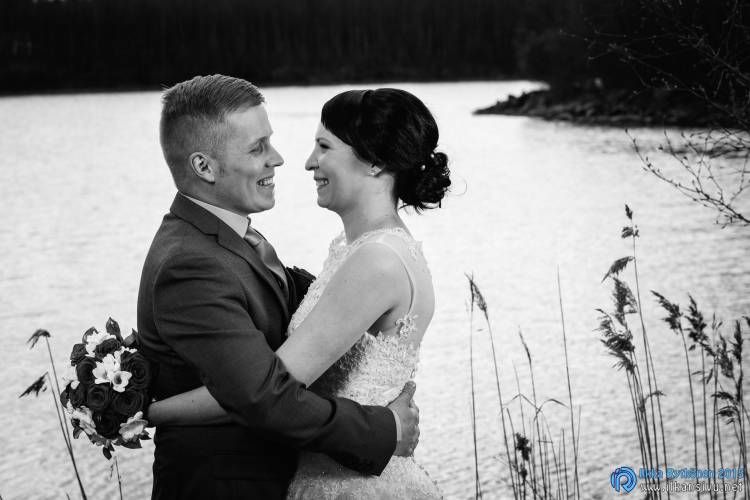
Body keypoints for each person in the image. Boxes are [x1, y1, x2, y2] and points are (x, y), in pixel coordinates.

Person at [148, 87, 451, 498]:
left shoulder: (376, 261)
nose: (306, 161)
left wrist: (150, 410)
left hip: (349, 484)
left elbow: (263, 393)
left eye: (324, 147)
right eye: (258, 147)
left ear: (376, 162)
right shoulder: (356, 252)